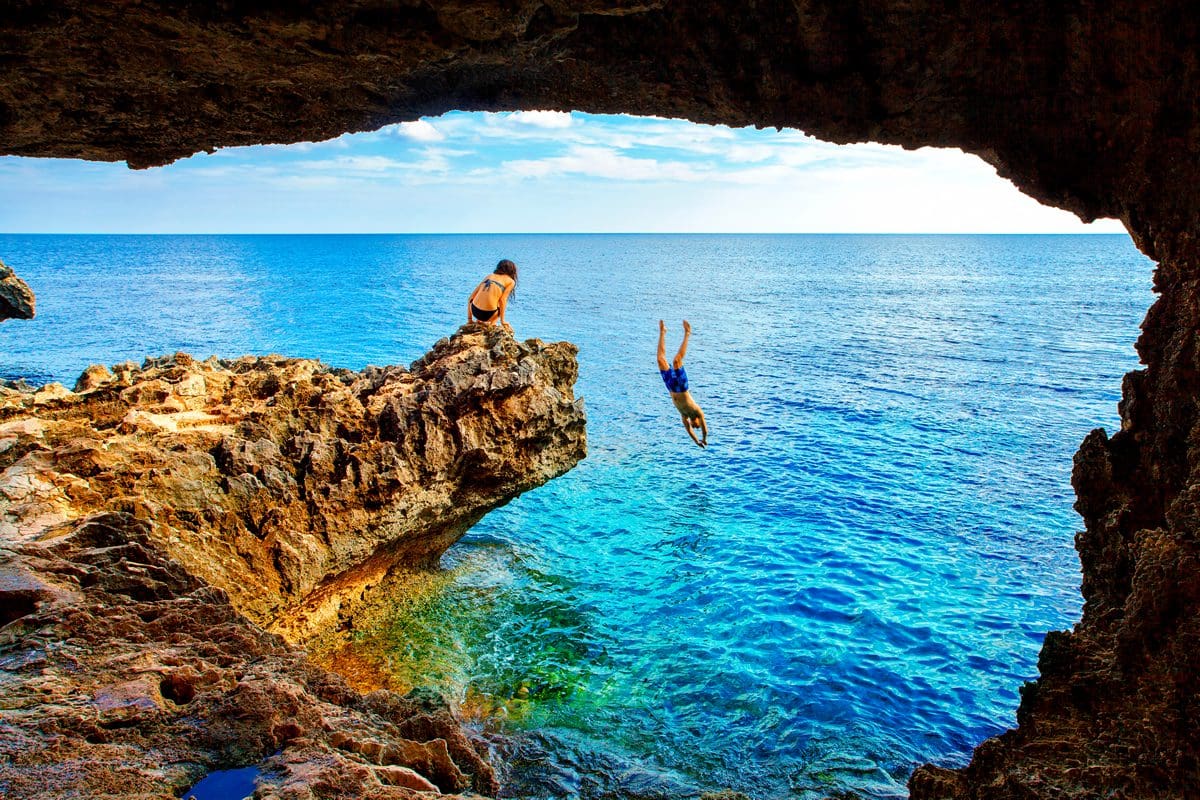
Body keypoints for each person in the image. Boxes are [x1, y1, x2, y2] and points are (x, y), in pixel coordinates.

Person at [658, 319, 708, 448]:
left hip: (671, 387)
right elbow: (705, 429)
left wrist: (696, 441)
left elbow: (689, 430)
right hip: (681, 387)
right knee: (676, 361)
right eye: (697, 426)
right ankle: (687, 333)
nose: (695, 427)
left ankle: (662, 332)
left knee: (660, 360)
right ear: (698, 421)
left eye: (695, 427)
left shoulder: (684, 416)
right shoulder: (698, 412)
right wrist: (704, 438)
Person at [467, 259, 518, 328]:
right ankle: (492, 324)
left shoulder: (489, 276)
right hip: (489, 315)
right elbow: (502, 300)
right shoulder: (511, 281)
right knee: (499, 302)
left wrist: (470, 319)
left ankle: (478, 320)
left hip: (474, 311)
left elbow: (470, 298)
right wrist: (502, 321)